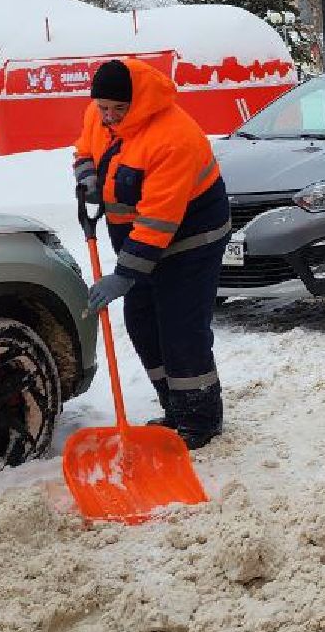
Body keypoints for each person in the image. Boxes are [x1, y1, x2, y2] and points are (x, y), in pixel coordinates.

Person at [74, 58, 232, 450]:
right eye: (103, 108)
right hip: (140, 241)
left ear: (137, 103)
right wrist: (88, 175)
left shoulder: (171, 137)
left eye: (117, 110)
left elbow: (159, 220)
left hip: (191, 236)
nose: (108, 117)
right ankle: (174, 406)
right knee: (142, 321)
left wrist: (125, 274)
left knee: (181, 326)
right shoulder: (100, 114)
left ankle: (200, 419)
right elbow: (84, 149)